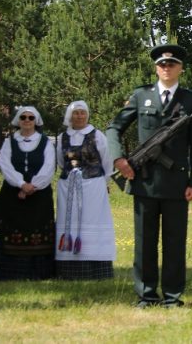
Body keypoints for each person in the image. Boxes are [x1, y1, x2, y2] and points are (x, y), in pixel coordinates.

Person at [106, 44, 192, 307]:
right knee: (144, 243)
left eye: (171, 64)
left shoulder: (191, 100)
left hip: (176, 184)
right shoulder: (140, 96)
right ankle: (146, 295)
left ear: (181, 68)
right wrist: (119, 159)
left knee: (174, 243)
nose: (166, 68)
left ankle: (172, 297)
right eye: (162, 64)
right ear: (155, 68)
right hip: (144, 181)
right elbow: (113, 128)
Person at [54, 100, 115, 279]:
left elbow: (107, 161)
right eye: (76, 113)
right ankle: (68, 268)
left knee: (92, 222)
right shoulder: (63, 138)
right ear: (70, 116)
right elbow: (60, 161)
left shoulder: (97, 135)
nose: (79, 116)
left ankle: (96, 267)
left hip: (93, 187)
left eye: (82, 113)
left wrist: (103, 182)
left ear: (87, 115)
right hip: (69, 187)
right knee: (69, 221)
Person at [0, 105, 56, 280]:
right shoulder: (9, 142)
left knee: (38, 229)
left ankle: (40, 273)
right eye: (23, 118)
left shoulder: (45, 142)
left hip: (40, 195)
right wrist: (21, 184)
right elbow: (5, 166)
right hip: (12, 196)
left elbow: (48, 167)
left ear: (36, 121)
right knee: (12, 228)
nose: (27, 121)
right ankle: (11, 273)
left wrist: (32, 186)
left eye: (30, 118)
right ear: (18, 121)